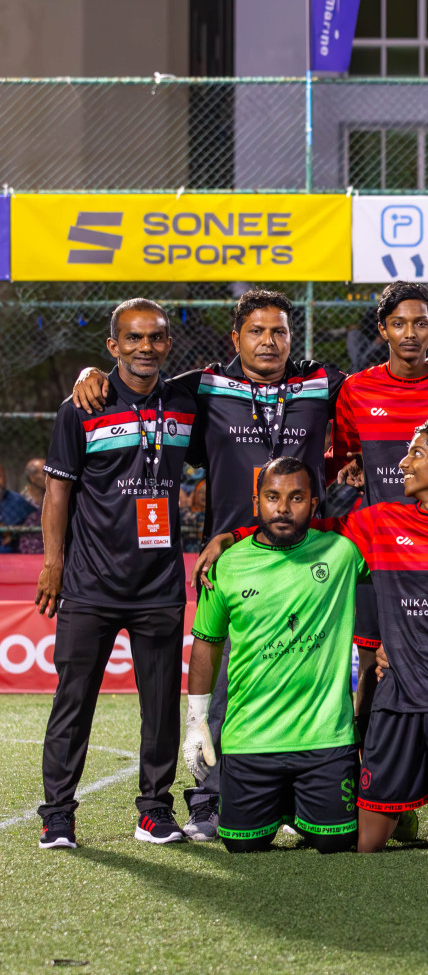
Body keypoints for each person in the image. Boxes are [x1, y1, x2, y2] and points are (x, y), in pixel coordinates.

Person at [71, 288, 428, 842]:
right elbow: (140, 382)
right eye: (257, 332)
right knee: (230, 683)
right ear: (236, 338)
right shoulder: (205, 385)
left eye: (279, 332)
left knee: (317, 679)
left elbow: (397, 381)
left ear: (291, 338)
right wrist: (93, 371)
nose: (268, 341)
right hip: (233, 556)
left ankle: (345, 791)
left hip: (312, 556)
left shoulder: (321, 383)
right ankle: (208, 800)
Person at [197, 419, 428, 853]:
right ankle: (397, 810)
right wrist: (234, 536)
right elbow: (309, 531)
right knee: (361, 846)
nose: (402, 462)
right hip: (397, 700)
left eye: (416, 454)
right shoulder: (381, 522)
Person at [36, 298, 198, 848]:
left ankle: (154, 810)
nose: (144, 348)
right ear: (113, 346)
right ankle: (57, 813)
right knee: (72, 701)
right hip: (90, 583)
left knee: (160, 707)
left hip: (158, 584)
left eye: (155, 338)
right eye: (133, 339)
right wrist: (53, 564)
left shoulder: (185, 401)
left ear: (167, 345)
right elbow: (57, 491)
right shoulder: (80, 407)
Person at [183, 457, 366, 853]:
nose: (283, 508)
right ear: (257, 502)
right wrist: (196, 723)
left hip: (324, 741)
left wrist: (388, 643)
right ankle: (285, 804)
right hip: (250, 742)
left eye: (296, 498)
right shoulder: (226, 564)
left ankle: (388, 806)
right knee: (242, 847)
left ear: (314, 504)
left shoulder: (342, 551)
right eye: (273, 497)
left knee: (338, 843)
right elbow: (205, 646)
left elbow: (404, 568)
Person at [331, 281, 428, 774]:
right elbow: (349, 453)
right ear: (382, 330)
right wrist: (353, 466)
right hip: (382, 553)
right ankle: (371, 780)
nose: (410, 333)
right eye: (399, 323)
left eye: (420, 323)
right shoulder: (356, 389)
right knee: (373, 667)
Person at [0, 464, 36, 551]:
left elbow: (35, 522)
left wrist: (13, 534)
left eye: (0, 477)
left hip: (13, 557)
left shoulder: (18, 501)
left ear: (5, 480)